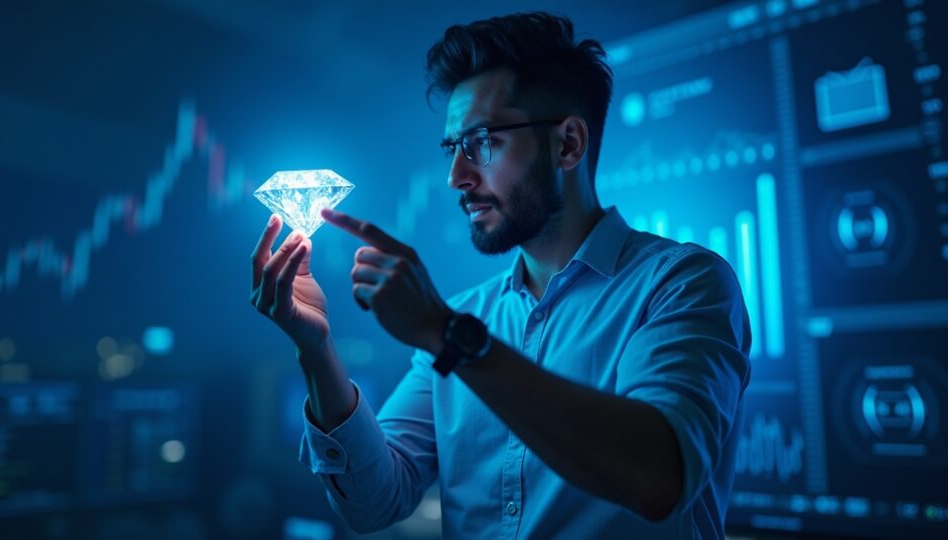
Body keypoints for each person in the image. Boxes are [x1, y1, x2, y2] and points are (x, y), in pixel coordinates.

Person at [250, 11, 751, 539]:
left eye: (481, 142)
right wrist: (315, 346)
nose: (456, 177)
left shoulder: (680, 285)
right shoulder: (464, 317)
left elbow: (658, 478)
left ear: (568, 144)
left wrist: (450, 337)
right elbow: (375, 503)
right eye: (452, 148)